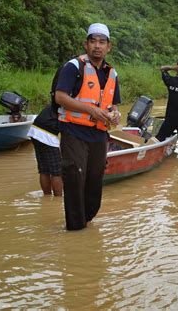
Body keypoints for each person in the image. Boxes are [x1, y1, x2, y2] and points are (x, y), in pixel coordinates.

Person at [55, 23, 121, 230]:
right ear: (86, 44)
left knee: (94, 181)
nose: (97, 46)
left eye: (102, 42)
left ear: (109, 46)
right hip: (73, 132)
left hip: (99, 135)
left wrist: (115, 114)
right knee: (75, 178)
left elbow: (114, 105)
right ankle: (75, 231)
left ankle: (87, 220)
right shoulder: (73, 67)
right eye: (93, 41)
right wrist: (91, 111)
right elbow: (60, 97)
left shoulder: (112, 74)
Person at [27, 104, 63, 196]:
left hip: (35, 131)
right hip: (47, 135)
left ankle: (46, 197)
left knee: (44, 170)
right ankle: (58, 199)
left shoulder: (58, 100)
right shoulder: (70, 103)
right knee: (57, 172)